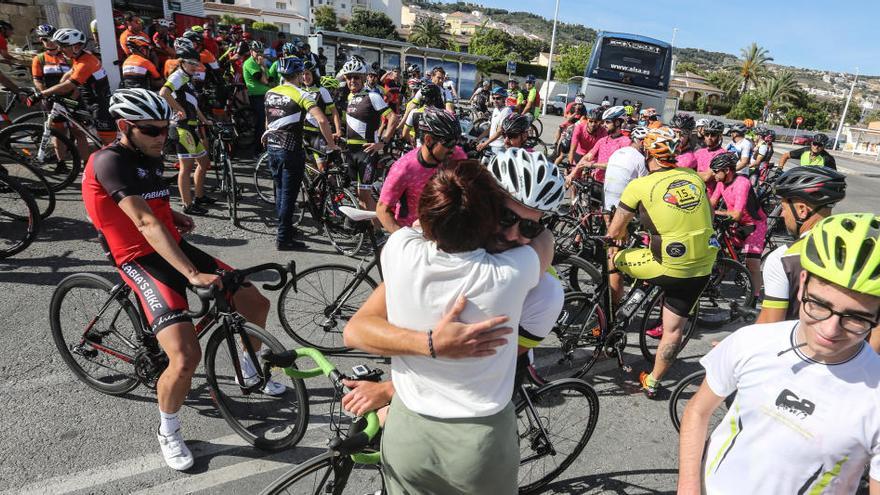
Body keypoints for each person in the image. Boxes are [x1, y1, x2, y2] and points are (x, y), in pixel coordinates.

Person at [81, 88, 283, 471]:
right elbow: (141, 221)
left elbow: (152, 204)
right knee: (186, 355)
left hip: (169, 243)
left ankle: (248, 367)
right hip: (137, 257)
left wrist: (174, 215)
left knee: (255, 302)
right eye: (152, 129)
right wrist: (191, 274)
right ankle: (168, 431)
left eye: (166, 129)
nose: (162, 136)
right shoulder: (109, 161)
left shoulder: (148, 152)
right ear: (124, 127)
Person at [345, 152, 561, 495]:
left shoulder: (409, 248)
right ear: (484, 206)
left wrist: (397, 382)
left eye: (529, 227)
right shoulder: (521, 274)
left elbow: (357, 328)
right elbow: (544, 247)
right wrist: (433, 344)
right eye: (505, 217)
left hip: (408, 427)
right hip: (478, 441)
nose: (513, 234)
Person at [678, 212, 880, 495]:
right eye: (819, 305)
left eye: (856, 318)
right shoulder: (751, 341)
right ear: (804, 284)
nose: (831, 329)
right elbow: (698, 411)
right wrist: (688, 488)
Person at [607, 126, 718, 398]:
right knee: (673, 330)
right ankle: (653, 381)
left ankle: (610, 316)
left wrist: (614, 241)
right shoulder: (693, 177)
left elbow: (615, 231)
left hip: (667, 264)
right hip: (703, 265)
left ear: (648, 153)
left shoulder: (640, 185)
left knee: (613, 255)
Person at [264, 56, 339, 251]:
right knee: (289, 195)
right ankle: (283, 239)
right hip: (290, 149)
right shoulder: (301, 94)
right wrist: (331, 145)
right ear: (298, 75)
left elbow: (268, 120)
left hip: (272, 146)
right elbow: (322, 120)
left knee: (280, 191)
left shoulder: (270, 92)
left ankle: (286, 229)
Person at [758, 166, 847, 324]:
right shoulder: (854, 246)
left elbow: (768, 328)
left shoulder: (783, 260)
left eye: (783, 208)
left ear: (802, 210)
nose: (782, 214)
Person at [377, 108, 468, 233]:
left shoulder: (457, 155)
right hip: (414, 235)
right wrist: (404, 240)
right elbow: (382, 209)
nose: (453, 148)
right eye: (448, 142)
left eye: (457, 141)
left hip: (445, 234)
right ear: (428, 140)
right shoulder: (404, 168)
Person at [38, 28, 116, 155]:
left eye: (63, 46)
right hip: (89, 102)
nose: (59, 49)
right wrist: (58, 88)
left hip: (100, 105)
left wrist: (42, 93)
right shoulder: (79, 57)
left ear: (76, 47)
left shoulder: (87, 62)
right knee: (97, 141)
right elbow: (70, 74)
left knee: (109, 145)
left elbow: (69, 85)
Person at [159, 39, 213, 215]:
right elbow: (164, 93)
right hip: (181, 127)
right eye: (191, 63)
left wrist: (205, 120)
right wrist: (178, 109)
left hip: (192, 127)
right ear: (182, 62)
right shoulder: (178, 76)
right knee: (186, 167)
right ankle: (188, 205)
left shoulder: (188, 78)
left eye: (197, 64)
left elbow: (194, 106)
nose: (195, 66)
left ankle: (199, 196)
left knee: (204, 164)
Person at [340, 57, 399, 215]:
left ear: (364, 78)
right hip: (351, 151)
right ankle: (368, 230)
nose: (352, 80)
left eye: (356, 77)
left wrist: (383, 142)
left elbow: (393, 118)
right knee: (359, 195)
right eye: (349, 77)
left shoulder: (373, 96)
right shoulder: (350, 97)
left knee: (365, 196)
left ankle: (379, 232)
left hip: (366, 152)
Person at [709, 152, 767, 299]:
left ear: (727, 170)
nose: (713, 174)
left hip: (754, 225)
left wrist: (715, 212)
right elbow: (712, 203)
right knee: (722, 255)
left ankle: (754, 298)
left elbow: (736, 214)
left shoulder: (742, 182)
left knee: (752, 264)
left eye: (716, 171)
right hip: (736, 224)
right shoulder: (721, 183)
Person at [569, 105, 631, 189]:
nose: (604, 125)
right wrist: (572, 174)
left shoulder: (626, 142)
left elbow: (616, 165)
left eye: (607, 122)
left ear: (617, 123)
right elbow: (587, 157)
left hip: (612, 185)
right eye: (604, 122)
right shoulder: (602, 140)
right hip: (596, 182)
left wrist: (592, 165)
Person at [301, 60, 342, 171]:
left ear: (313, 74)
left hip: (317, 134)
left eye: (308, 73)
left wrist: (338, 130)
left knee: (322, 168)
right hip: (302, 133)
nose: (305, 77)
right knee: (307, 166)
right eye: (303, 74)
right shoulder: (299, 90)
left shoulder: (322, 90)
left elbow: (334, 112)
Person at [603, 125, 648, 214]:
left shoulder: (617, 152)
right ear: (642, 142)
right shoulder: (641, 159)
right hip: (623, 201)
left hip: (607, 195)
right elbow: (643, 186)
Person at [242, 40, 271, 153]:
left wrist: (263, 66)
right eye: (257, 51)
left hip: (265, 94)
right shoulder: (250, 63)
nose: (259, 54)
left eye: (261, 51)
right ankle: (257, 149)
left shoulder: (259, 62)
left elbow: (269, 79)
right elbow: (264, 80)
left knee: (267, 120)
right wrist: (262, 66)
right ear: (251, 51)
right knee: (261, 121)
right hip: (256, 95)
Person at [31, 25, 70, 92]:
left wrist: (75, 93)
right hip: (51, 95)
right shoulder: (38, 59)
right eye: (45, 39)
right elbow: (37, 80)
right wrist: (46, 94)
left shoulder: (67, 55)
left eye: (52, 38)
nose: (50, 42)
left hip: (72, 94)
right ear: (40, 40)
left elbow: (77, 75)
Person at [693, 119, 727, 194]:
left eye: (713, 135)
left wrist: (687, 173)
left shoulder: (722, 154)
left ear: (720, 136)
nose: (709, 137)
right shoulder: (699, 152)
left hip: (709, 196)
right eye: (707, 134)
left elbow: (706, 177)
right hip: (693, 190)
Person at [476, 88, 513, 155]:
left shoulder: (506, 111)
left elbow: (500, 131)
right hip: (492, 144)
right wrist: (477, 139)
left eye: (498, 98)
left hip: (500, 146)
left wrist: (485, 143)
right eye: (493, 98)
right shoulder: (496, 110)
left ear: (504, 99)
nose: (495, 100)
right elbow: (490, 128)